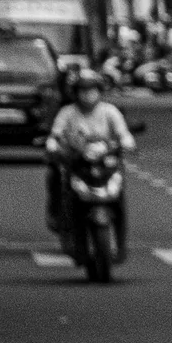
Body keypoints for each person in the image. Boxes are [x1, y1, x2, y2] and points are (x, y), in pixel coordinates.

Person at [44, 66, 135, 258]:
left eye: (92, 90)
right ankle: (61, 219)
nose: (88, 95)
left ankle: (119, 243)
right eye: (83, 91)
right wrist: (53, 145)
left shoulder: (109, 111)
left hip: (104, 164)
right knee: (56, 177)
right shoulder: (68, 113)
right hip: (76, 163)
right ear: (75, 93)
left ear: (100, 91)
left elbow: (123, 134)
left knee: (118, 195)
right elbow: (56, 135)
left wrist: (126, 143)